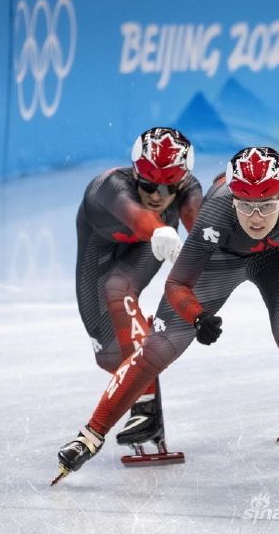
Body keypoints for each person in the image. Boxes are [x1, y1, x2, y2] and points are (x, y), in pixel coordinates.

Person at [53, 146, 279, 497]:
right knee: (158, 347)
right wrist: (196, 315)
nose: (256, 217)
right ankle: (89, 437)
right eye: (245, 205)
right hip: (221, 259)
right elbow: (177, 284)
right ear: (232, 198)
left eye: (265, 205)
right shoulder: (213, 217)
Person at [73, 126, 201, 465]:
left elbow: (205, 233)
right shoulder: (108, 188)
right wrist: (159, 228)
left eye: (168, 187)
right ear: (135, 174)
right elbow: (136, 214)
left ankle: (143, 411)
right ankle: (143, 359)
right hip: (102, 255)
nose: (157, 196)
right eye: (148, 185)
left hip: (143, 252)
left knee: (117, 287)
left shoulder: (189, 190)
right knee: (111, 359)